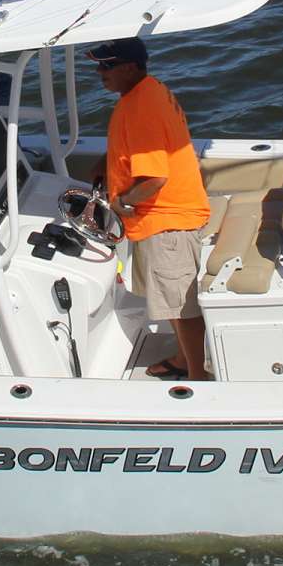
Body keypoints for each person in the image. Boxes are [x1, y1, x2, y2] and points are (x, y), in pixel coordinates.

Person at [89, 38, 213, 381]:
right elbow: (136, 148)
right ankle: (184, 357)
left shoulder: (140, 107)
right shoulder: (149, 91)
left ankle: (198, 377)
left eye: (107, 66)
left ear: (130, 67)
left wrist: (122, 202)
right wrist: (107, 164)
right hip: (170, 217)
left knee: (181, 307)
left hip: (167, 223)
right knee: (173, 302)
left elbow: (154, 178)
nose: (100, 73)